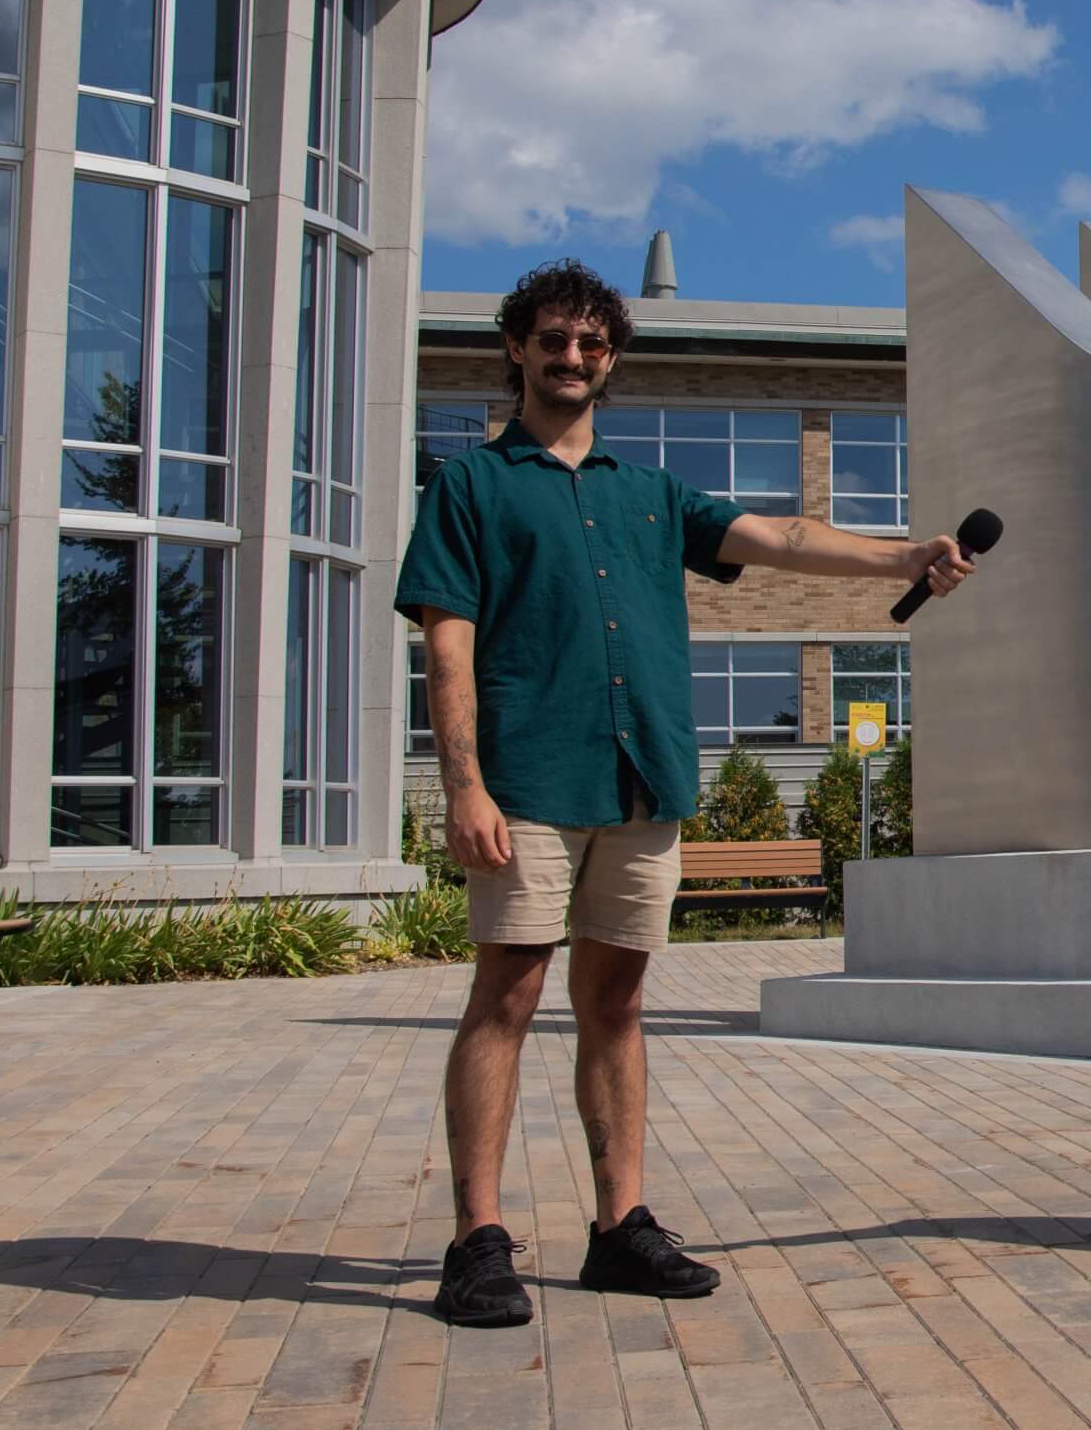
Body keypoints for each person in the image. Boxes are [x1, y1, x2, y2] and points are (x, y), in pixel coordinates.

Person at [396, 260, 975, 1327]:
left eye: (592, 345)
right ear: (517, 348)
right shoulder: (470, 487)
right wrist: (463, 787)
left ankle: (620, 1228)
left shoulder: (650, 492)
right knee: (509, 996)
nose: (573, 358)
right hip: (526, 780)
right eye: (554, 340)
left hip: (643, 777)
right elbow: (449, 643)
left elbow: (786, 538)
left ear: (609, 360)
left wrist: (907, 554)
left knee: (615, 1007)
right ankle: (477, 1240)